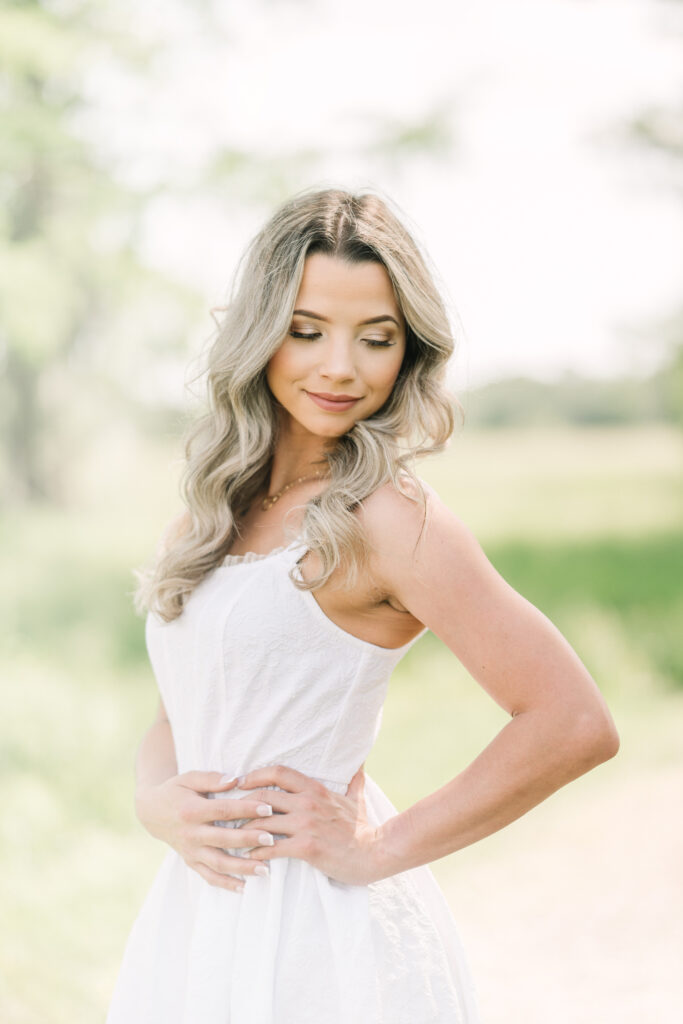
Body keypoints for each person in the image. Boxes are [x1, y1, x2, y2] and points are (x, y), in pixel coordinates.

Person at [106, 186, 620, 1024]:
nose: (340, 367)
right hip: (199, 917)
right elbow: (185, 712)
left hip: (323, 937)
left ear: (406, 352)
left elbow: (570, 720)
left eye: (375, 338)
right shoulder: (206, 518)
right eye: (306, 331)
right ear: (258, 334)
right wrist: (153, 801)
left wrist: (376, 847)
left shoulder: (385, 518)